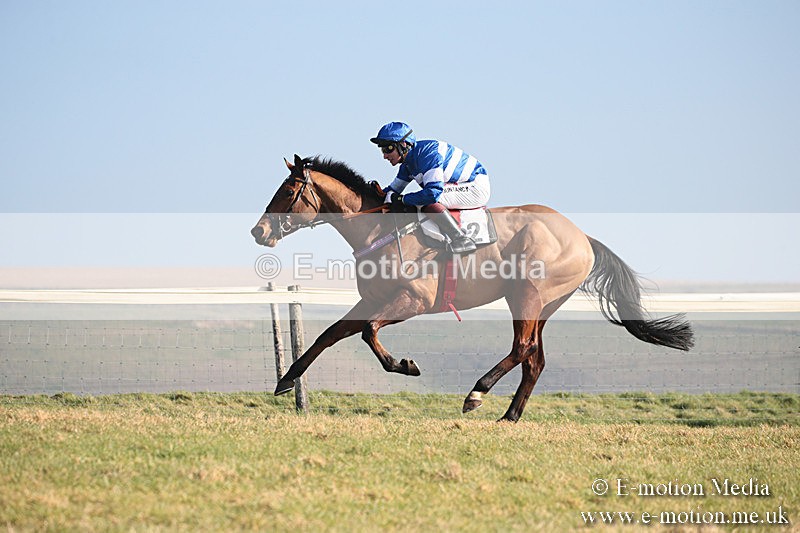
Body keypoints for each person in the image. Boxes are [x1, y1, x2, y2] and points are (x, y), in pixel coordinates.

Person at [370, 121, 491, 253]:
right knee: (415, 201)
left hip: (474, 187)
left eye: (388, 149)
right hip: (459, 185)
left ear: (403, 145)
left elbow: (432, 194)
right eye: (382, 150)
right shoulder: (407, 164)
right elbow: (390, 192)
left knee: (425, 201)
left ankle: (461, 239)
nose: (385, 155)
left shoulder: (427, 155)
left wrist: (401, 199)